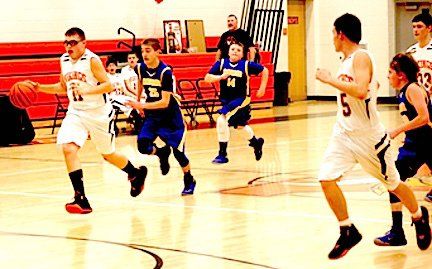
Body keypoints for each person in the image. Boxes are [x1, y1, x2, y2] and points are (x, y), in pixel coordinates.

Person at [315, 13, 431, 259]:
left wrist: (329, 80)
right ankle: (347, 229)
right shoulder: (346, 60)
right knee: (326, 178)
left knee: (393, 184)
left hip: (369, 140)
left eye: (333, 34)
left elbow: (359, 90)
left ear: (340, 34)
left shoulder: (361, 57)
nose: (332, 39)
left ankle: (419, 217)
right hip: (344, 133)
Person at [29, 27, 147, 214]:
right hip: (76, 112)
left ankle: (135, 173)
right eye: (66, 42)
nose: (69, 46)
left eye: (73, 43)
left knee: (108, 155)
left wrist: (87, 90)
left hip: (99, 114)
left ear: (84, 43)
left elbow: (109, 85)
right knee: (68, 148)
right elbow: (62, 86)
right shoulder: (64, 60)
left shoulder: (92, 60)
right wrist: (39, 88)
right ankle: (80, 198)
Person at [373, 53, 432, 247]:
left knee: (394, 180)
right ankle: (399, 231)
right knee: (394, 180)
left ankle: (402, 229)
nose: (388, 75)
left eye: (390, 72)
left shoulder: (413, 89)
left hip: (424, 142)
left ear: (401, 74)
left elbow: (424, 117)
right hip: (416, 143)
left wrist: (398, 131)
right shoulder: (405, 90)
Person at [125, 38, 196, 196]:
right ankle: (161, 153)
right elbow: (140, 81)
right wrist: (139, 100)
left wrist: (140, 105)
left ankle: (189, 179)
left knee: (179, 154)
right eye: (142, 51)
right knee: (143, 146)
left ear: (158, 52)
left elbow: (164, 102)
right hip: (152, 115)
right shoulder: (140, 68)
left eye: (148, 51)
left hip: (171, 117)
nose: (144, 54)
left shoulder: (165, 72)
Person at [205, 42, 268, 164]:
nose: (235, 51)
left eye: (238, 50)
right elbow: (207, 78)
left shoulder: (246, 65)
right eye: (232, 49)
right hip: (227, 100)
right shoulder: (222, 63)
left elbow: (264, 70)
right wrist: (220, 77)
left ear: (242, 54)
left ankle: (222, 154)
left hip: (241, 100)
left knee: (221, 120)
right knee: (239, 127)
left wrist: (262, 88)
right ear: (228, 51)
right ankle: (256, 143)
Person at [405, 11, 432, 202]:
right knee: (424, 144)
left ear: (429, 28)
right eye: (413, 27)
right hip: (420, 106)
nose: (415, 30)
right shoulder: (411, 53)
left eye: (419, 26)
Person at [106, 57, 143, 135]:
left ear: (116, 67)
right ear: (106, 68)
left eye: (113, 65)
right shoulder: (106, 77)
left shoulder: (120, 76)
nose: (112, 67)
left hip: (121, 97)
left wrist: (134, 97)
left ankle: (137, 125)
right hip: (111, 98)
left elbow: (125, 90)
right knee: (130, 107)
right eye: (110, 66)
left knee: (134, 103)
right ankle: (138, 126)